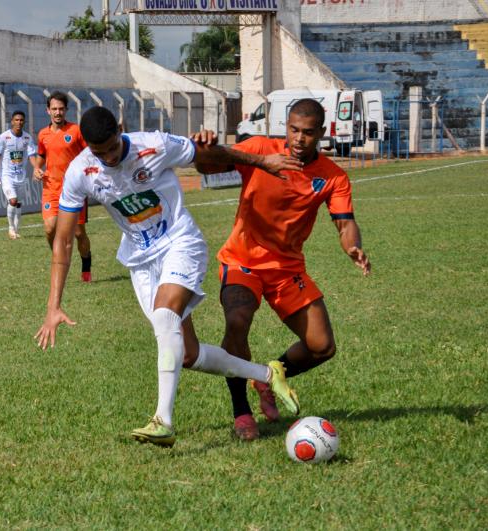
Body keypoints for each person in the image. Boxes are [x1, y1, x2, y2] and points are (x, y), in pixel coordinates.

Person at [35, 106, 304, 447]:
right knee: (187, 355)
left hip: (180, 243)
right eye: (99, 153)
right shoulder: (81, 171)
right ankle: (268, 374)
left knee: (165, 315)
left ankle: (163, 421)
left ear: (121, 131)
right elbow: (62, 239)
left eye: (113, 149)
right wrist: (53, 305)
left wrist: (263, 162)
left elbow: (206, 151)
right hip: (141, 260)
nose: (109, 159)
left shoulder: (155, 145)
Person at [199, 98, 371, 440]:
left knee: (322, 346)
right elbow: (207, 166)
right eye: (293, 129)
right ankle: (241, 413)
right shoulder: (262, 149)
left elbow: (345, 223)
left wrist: (352, 246)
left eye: (308, 132)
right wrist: (207, 147)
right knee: (237, 321)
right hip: (242, 260)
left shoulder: (333, 177)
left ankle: (270, 374)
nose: (299, 138)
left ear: (321, 133)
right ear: (286, 126)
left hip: (286, 268)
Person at [33, 92, 93, 282]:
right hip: (51, 187)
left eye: (61, 109)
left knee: (78, 233)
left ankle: (86, 266)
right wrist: (36, 168)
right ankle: (59, 257)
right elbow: (42, 155)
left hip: (74, 189)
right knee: (50, 228)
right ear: (47, 110)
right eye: (54, 109)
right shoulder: (43, 134)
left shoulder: (75, 131)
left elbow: (89, 153)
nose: (57, 112)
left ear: (66, 110)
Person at [0, 110, 38, 239]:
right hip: (6, 175)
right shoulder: (4, 137)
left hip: (21, 176)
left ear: (24, 122)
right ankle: (11, 228)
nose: (19, 122)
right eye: (16, 120)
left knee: (18, 203)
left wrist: (36, 168)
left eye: (21, 120)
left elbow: (31, 155)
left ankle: (16, 230)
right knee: (13, 200)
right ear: (12, 121)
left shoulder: (27, 138)